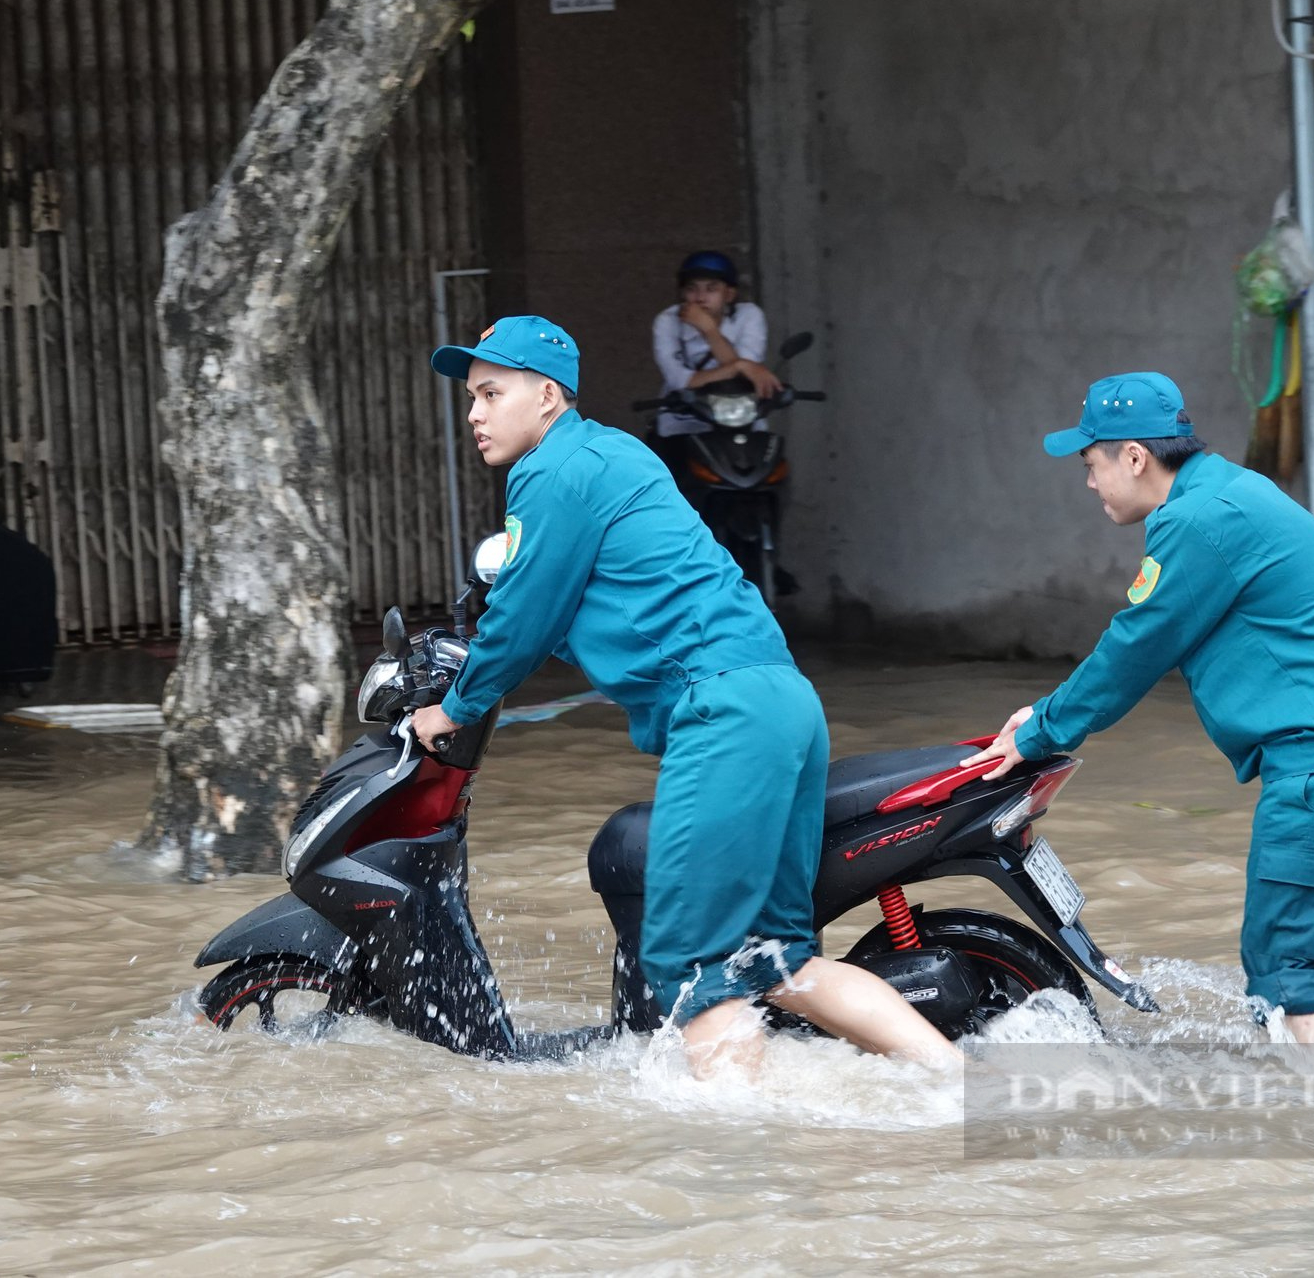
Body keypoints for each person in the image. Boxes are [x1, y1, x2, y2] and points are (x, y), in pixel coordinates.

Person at [411, 316, 959, 1080]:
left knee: (692, 966)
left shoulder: (550, 472)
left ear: (546, 396)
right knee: (777, 964)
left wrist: (451, 709)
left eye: (490, 393)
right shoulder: (618, 455)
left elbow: (520, 624)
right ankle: (973, 1089)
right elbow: (605, 602)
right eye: (471, 396)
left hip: (724, 712)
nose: (473, 412)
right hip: (783, 702)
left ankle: (737, 1167)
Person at [962, 371, 1314, 1053]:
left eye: (1091, 463)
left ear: (1134, 457)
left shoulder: (1195, 522)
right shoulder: (1229, 490)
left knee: (1290, 964)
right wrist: (1047, 714)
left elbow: (1135, 648)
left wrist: (1039, 733)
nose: (1089, 482)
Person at [650, 250, 782, 441]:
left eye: (711, 289)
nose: (700, 298)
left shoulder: (749, 315)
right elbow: (681, 382)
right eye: (691, 289)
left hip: (742, 419)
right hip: (683, 422)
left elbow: (744, 378)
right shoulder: (667, 321)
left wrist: (710, 330)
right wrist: (739, 364)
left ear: (729, 294)